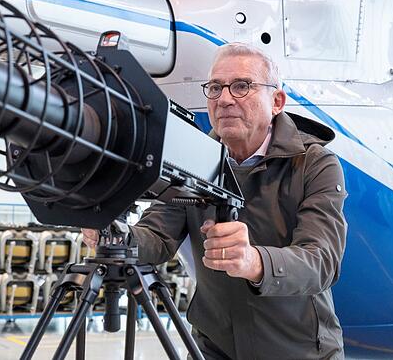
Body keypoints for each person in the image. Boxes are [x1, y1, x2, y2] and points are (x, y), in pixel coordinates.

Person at [83, 42, 348, 359]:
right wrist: (117, 236)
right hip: (214, 348)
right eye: (215, 87)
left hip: (300, 351)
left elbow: (321, 261)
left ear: (277, 101)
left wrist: (253, 261)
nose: (224, 99)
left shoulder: (314, 163)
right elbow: (157, 237)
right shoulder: (191, 161)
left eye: (241, 86)